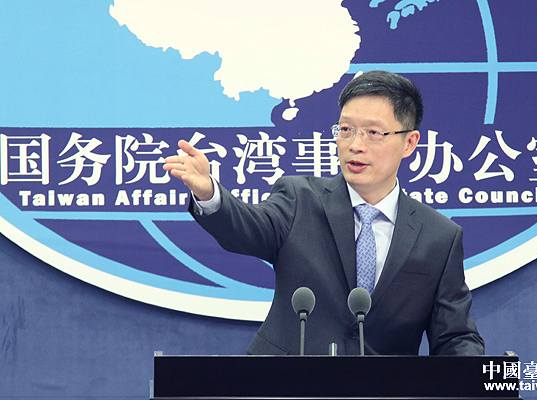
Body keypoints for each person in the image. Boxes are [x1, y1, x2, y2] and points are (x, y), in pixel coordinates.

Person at [163, 70, 485, 356]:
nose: (355, 145)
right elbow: (247, 228)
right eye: (346, 129)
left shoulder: (439, 237)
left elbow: (455, 336)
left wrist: (474, 382)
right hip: (285, 388)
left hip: (385, 392)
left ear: (409, 142)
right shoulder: (299, 199)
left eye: (373, 133)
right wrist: (209, 193)